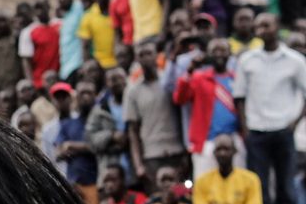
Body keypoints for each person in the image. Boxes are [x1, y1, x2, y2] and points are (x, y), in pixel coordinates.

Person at [235, 13, 306, 204]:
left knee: (286, 186)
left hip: (283, 131)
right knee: (260, 188)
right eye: (258, 26)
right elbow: (240, 98)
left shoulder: (295, 61)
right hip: (257, 132)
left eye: (266, 24)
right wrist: (245, 129)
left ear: (277, 27)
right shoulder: (247, 60)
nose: (261, 29)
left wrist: (294, 123)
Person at [173, 38, 243, 179]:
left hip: (233, 139)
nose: (218, 54)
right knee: (204, 183)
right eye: (214, 51)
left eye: (222, 50)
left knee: (237, 182)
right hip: (206, 141)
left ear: (230, 54)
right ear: (208, 54)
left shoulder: (237, 79)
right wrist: (190, 70)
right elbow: (180, 98)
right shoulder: (199, 78)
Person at [125, 41, 187, 192]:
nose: (146, 58)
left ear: (157, 56)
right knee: (157, 202)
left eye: (149, 53)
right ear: (136, 59)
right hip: (152, 156)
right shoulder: (133, 91)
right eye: (141, 55)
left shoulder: (169, 81)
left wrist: (187, 152)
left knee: (181, 198)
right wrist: (138, 164)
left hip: (176, 151)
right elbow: (133, 131)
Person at [55, 80, 100, 204]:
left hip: (96, 183)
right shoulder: (67, 124)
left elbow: (99, 147)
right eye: (82, 93)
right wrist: (87, 148)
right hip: (74, 185)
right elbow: (60, 151)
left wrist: (72, 146)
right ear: (76, 97)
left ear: (95, 96)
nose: (85, 96)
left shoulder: (101, 120)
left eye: (89, 93)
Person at [86, 67, 131, 183]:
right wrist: (111, 135)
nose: (116, 83)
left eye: (119, 78)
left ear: (126, 80)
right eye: (112, 79)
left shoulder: (135, 103)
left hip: (134, 167)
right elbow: (90, 140)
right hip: (109, 170)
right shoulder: (100, 110)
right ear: (106, 83)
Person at [18, 0, 61, 89]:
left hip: (59, 78)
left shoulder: (60, 25)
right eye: (36, 8)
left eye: (41, 7)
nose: (39, 11)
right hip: (39, 82)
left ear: (48, 7)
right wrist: (31, 83)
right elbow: (26, 61)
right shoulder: (28, 32)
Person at [78, 0, 117, 69]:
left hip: (118, 62)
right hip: (99, 66)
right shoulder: (88, 16)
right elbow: (85, 47)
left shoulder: (117, 10)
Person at [56, 0, 85, 82]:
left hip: (76, 64)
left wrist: (83, 63)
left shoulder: (79, 8)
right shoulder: (66, 15)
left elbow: (83, 37)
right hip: (65, 67)